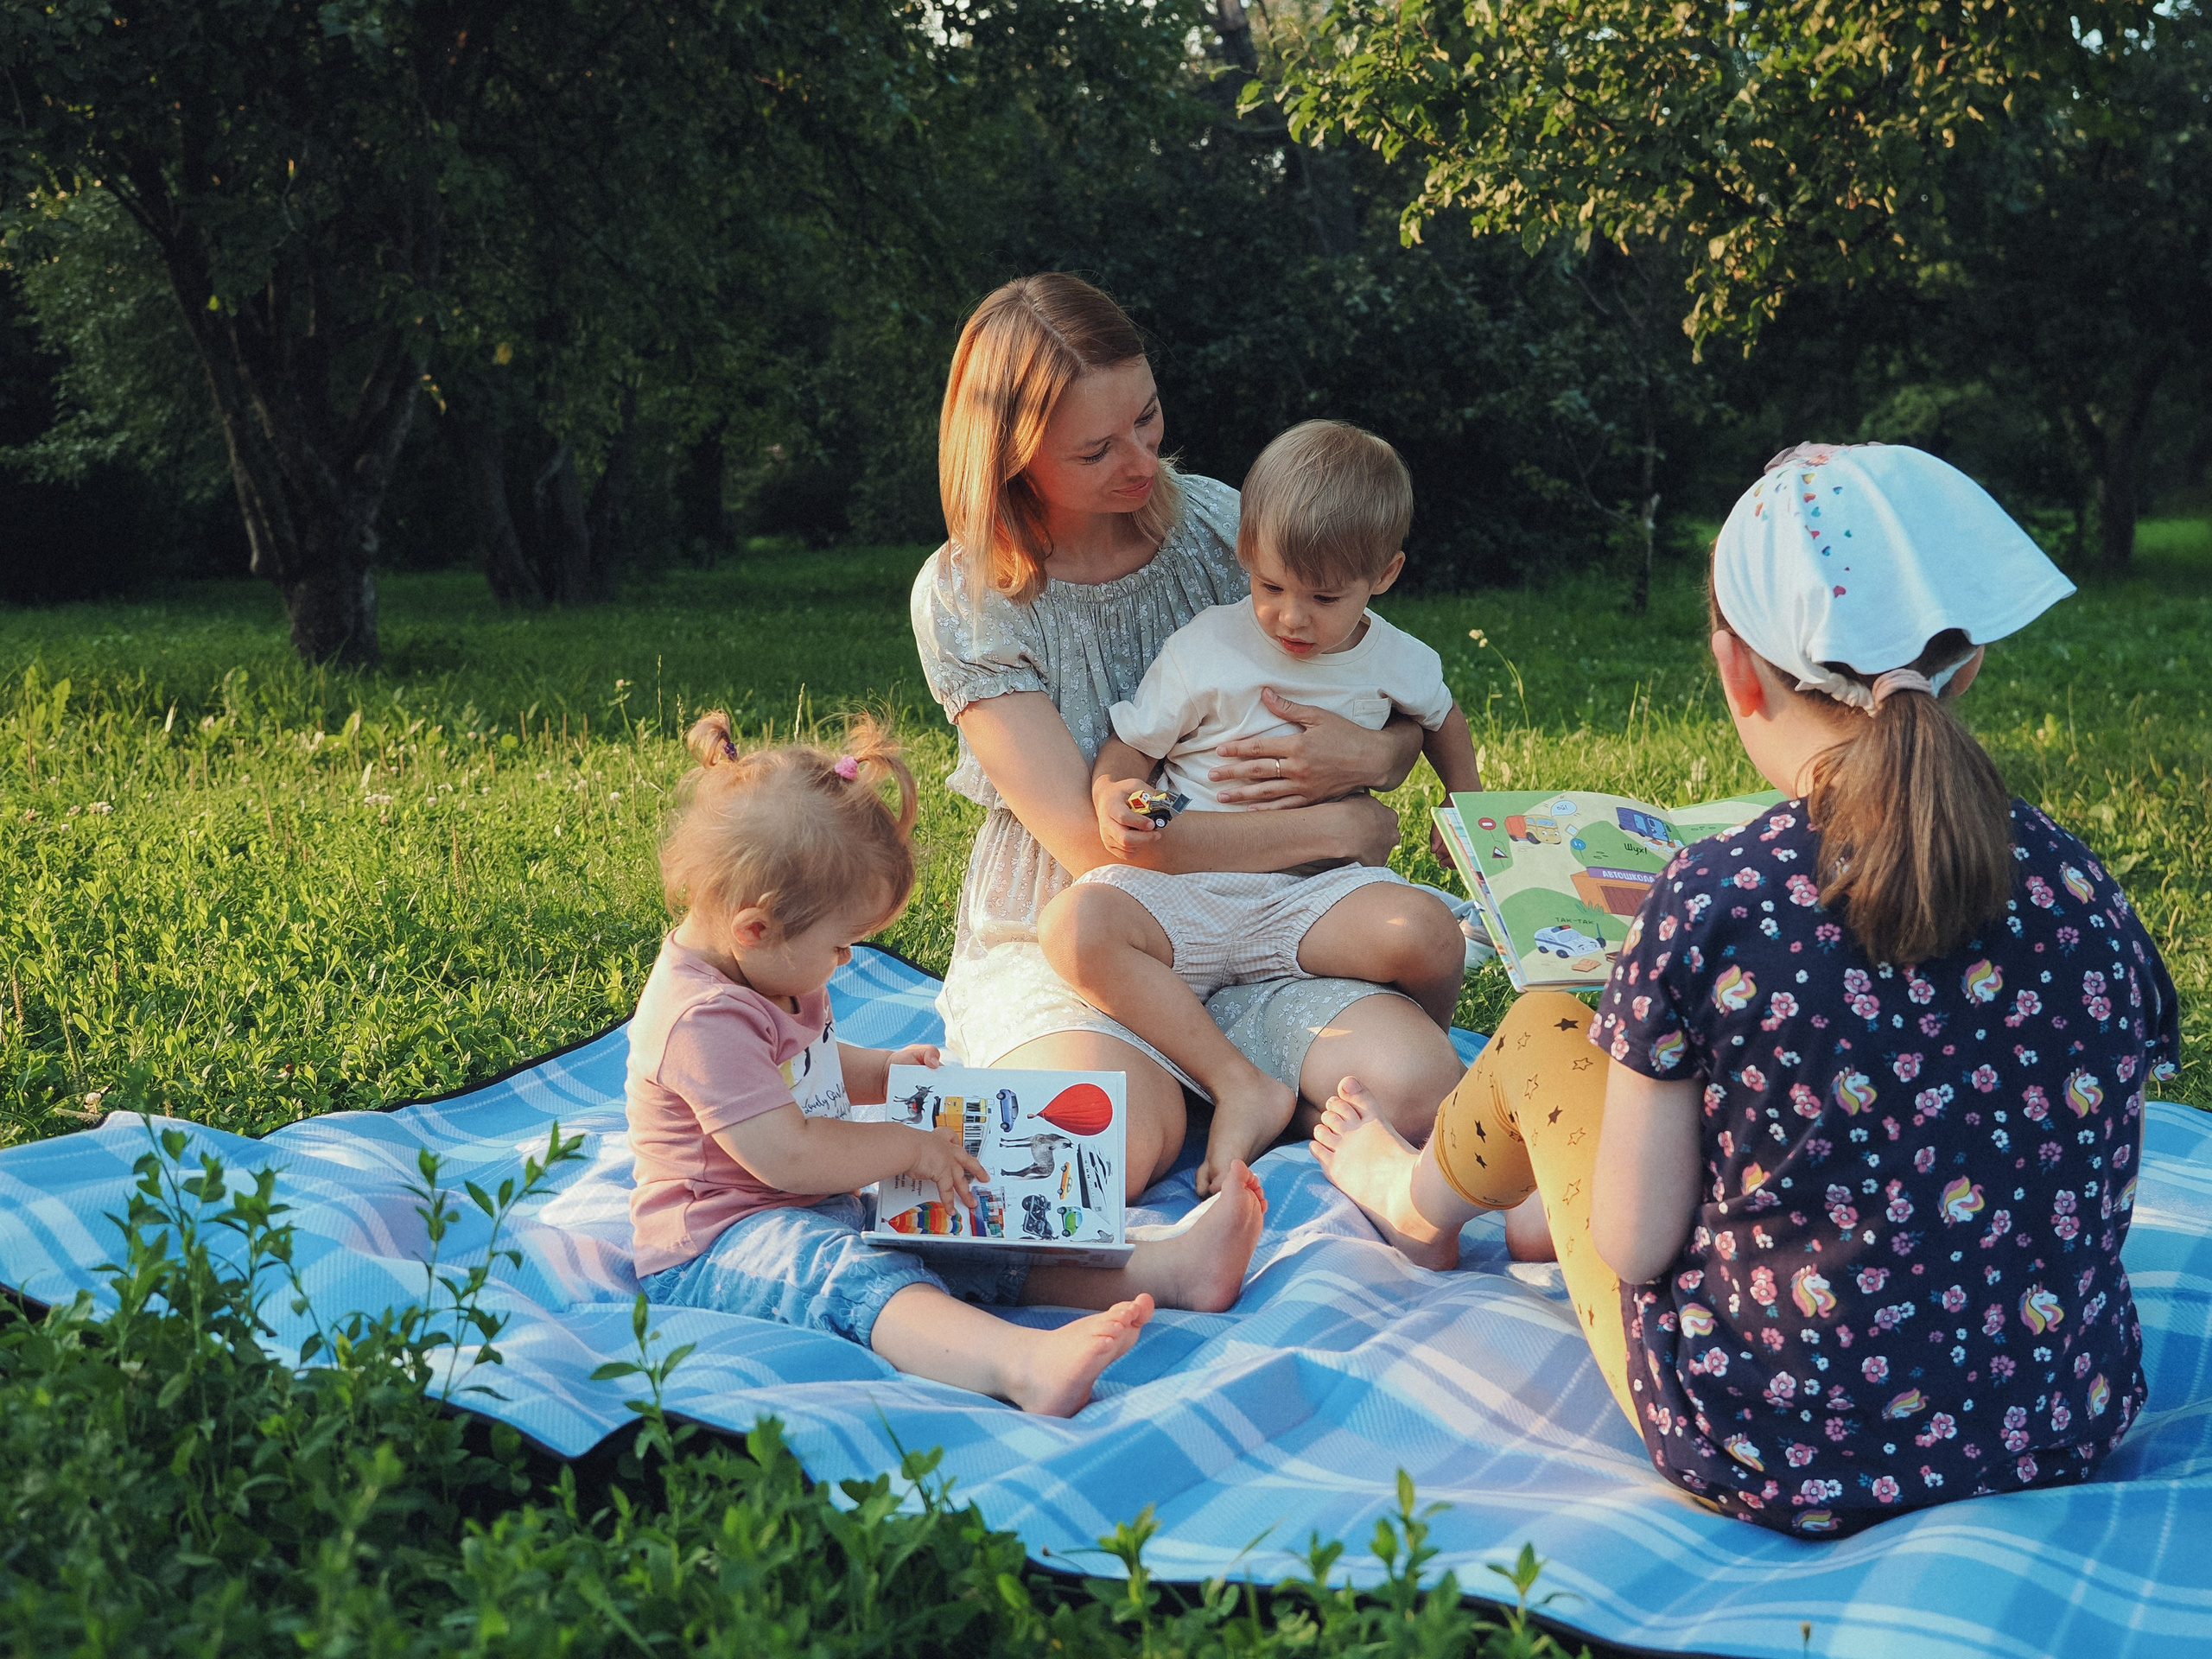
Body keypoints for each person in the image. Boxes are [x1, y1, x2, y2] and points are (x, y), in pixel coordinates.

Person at [1314, 442, 2179, 1535]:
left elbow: (1634, 1244)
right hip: (2053, 1418)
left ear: (1734, 670)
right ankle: (1511, 1201)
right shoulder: (2080, 883)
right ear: (1967, 668)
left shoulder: (1714, 898)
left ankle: (1411, 1202)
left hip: (1765, 1444)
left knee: (1539, 1025)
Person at [911, 274, 1469, 1198]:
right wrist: (1343, 829)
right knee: (1104, 1148)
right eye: (1095, 449)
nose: (1139, 462)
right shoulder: (969, 598)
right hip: (1096, 932)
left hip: (1278, 912)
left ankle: (1252, 1078)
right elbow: (1101, 841)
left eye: (1148, 418)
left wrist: (1381, 758)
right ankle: (1226, 1085)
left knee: (1418, 1089)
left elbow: (1378, 683)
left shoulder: (1218, 524)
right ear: (1012, 460)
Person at [625, 712, 1268, 1418]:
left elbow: (793, 1064)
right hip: (722, 1243)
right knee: (852, 1277)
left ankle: (1166, 1270)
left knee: (965, 1229)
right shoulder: (699, 1019)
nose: (846, 963)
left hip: (817, 1203)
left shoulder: (763, 967)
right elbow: (788, 1155)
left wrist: (877, 1071)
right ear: (756, 927)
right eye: (841, 946)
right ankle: (1015, 1363)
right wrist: (906, 1145)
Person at [1038, 420, 1478, 1196]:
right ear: (1245, 552)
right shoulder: (1206, 647)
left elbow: (1443, 720)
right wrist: (1118, 799)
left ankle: (1407, 1059)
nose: (1292, 618)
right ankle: (1239, 1080)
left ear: (1387, 573)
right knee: (1075, 925)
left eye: (1324, 597)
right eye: (1272, 587)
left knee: (1431, 933)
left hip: (1312, 896)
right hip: (1190, 890)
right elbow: (1130, 754)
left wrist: (1470, 811)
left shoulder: (1399, 659)